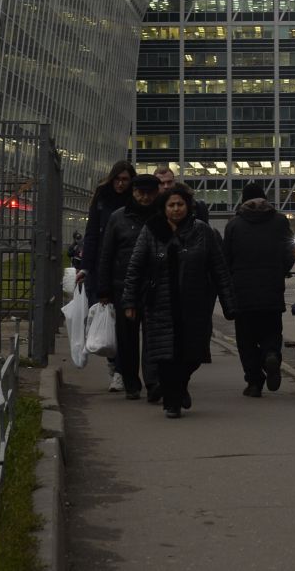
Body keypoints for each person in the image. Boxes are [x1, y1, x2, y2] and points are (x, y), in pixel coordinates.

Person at [122, 183, 236, 418]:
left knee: (192, 355)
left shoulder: (202, 231)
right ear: (164, 208)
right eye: (171, 205)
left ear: (188, 206)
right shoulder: (151, 230)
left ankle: (181, 386)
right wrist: (130, 302)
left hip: (193, 304)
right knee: (165, 357)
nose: (176, 209)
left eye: (180, 204)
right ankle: (171, 403)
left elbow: (219, 268)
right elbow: (135, 267)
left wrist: (229, 303)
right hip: (159, 303)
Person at [223, 179, 295, 397]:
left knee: (245, 339)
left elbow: (226, 258)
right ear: (264, 198)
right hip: (272, 288)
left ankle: (254, 382)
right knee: (272, 330)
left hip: (242, 291)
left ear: (244, 200)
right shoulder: (280, 221)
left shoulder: (234, 225)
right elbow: (291, 249)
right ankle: (271, 354)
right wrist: (281, 270)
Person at [95, 174, 164, 401]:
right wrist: (103, 289)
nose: (145, 197)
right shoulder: (118, 218)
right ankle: (131, 382)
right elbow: (106, 255)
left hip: (155, 286)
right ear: (133, 193)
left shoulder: (162, 216)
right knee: (127, 338)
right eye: (140, 193)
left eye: (149, 193)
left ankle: (153, 382)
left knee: (153, 336)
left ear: (156, 193)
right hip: (123, 287)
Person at [77, 161, 134, 390]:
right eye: (117, 179)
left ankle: (120, 371)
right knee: (103, 319)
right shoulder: (102, 197)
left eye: (125, 180)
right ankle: (114, 362)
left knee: (123, 324)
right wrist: (85, 267)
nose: (120, 184)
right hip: (101, 267)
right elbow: (91, 234)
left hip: (126, 267)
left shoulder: (134, 200)